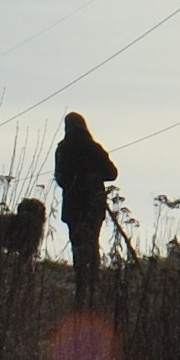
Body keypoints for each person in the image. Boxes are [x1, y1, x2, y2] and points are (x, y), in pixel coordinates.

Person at [52, 111, 118, 303]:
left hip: (73, 205)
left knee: (78, 244)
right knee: (92, 242)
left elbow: (60, 178)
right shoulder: (94, 148)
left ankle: (82, 283)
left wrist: (75, 180)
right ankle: (93, 283)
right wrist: (92, 175)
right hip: (93, 204)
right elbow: (112, 173)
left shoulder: (63, 149)